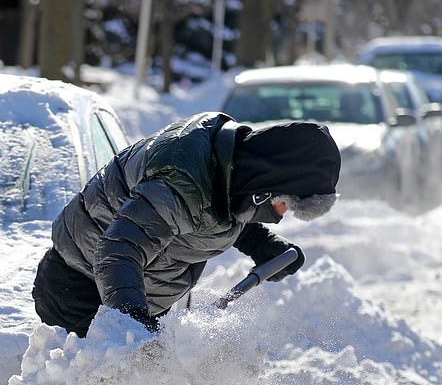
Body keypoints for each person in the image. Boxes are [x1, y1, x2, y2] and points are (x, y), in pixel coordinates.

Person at [32, 111, 341, 337]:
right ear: (268, 185)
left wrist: (263, 246)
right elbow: (118, 251)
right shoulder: (180, 179)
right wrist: (132, 321)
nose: (281, 213)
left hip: (139, 301)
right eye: (284, 203)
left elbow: (213, 212)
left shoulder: (231, 171)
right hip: (83, 293)